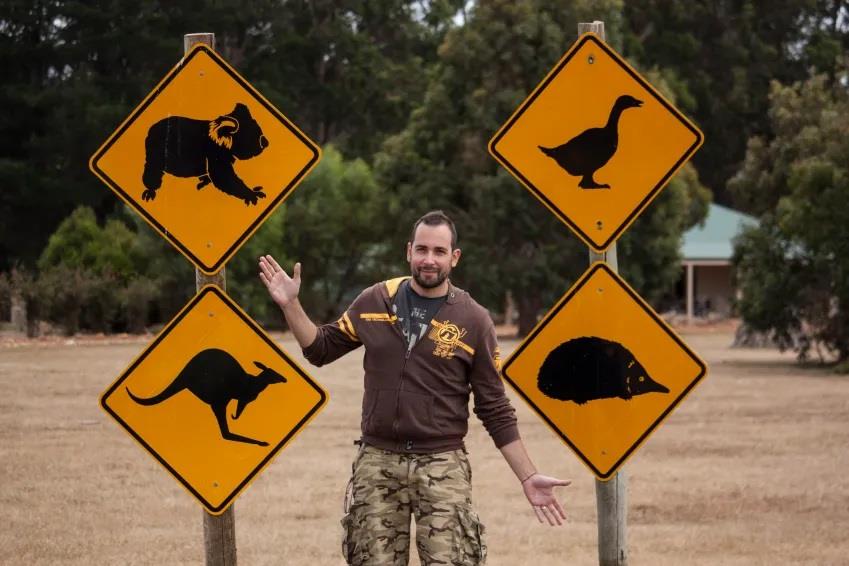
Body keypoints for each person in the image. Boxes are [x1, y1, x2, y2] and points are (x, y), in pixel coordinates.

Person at [259, 210, 570, 566]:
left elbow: (494, 407)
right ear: (408, 251)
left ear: (454, 257)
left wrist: (528, 476)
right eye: (421, 249)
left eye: (439, 251)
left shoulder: (473, 319)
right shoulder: (374, 301)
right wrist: (290, 304)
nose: (429, 260)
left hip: (442, 464)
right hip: (376, 463)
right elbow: (320, 349)